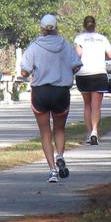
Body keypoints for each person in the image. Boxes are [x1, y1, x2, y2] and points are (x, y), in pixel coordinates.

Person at [21, 14, 82, 183]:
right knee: (60, 129)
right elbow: (76, 66)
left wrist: (30, 73)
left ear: (41, 28)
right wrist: (65, 72)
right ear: (56, 27)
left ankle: (52, 171)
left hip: (40, 92)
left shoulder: (34, 46)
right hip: (61, 92)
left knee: (45, 131)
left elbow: (24, 71)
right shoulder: (66, 45)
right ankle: (60, 155)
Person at [74, 16, 111, 145]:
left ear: (84, 25)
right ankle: (94, 131)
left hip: (83, 74)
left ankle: (88, 134)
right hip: (99, 73)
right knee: (96, 106)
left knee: (87, 105)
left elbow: (78, 54)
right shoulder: (102, 39)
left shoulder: (79, 38)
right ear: (95, 25)